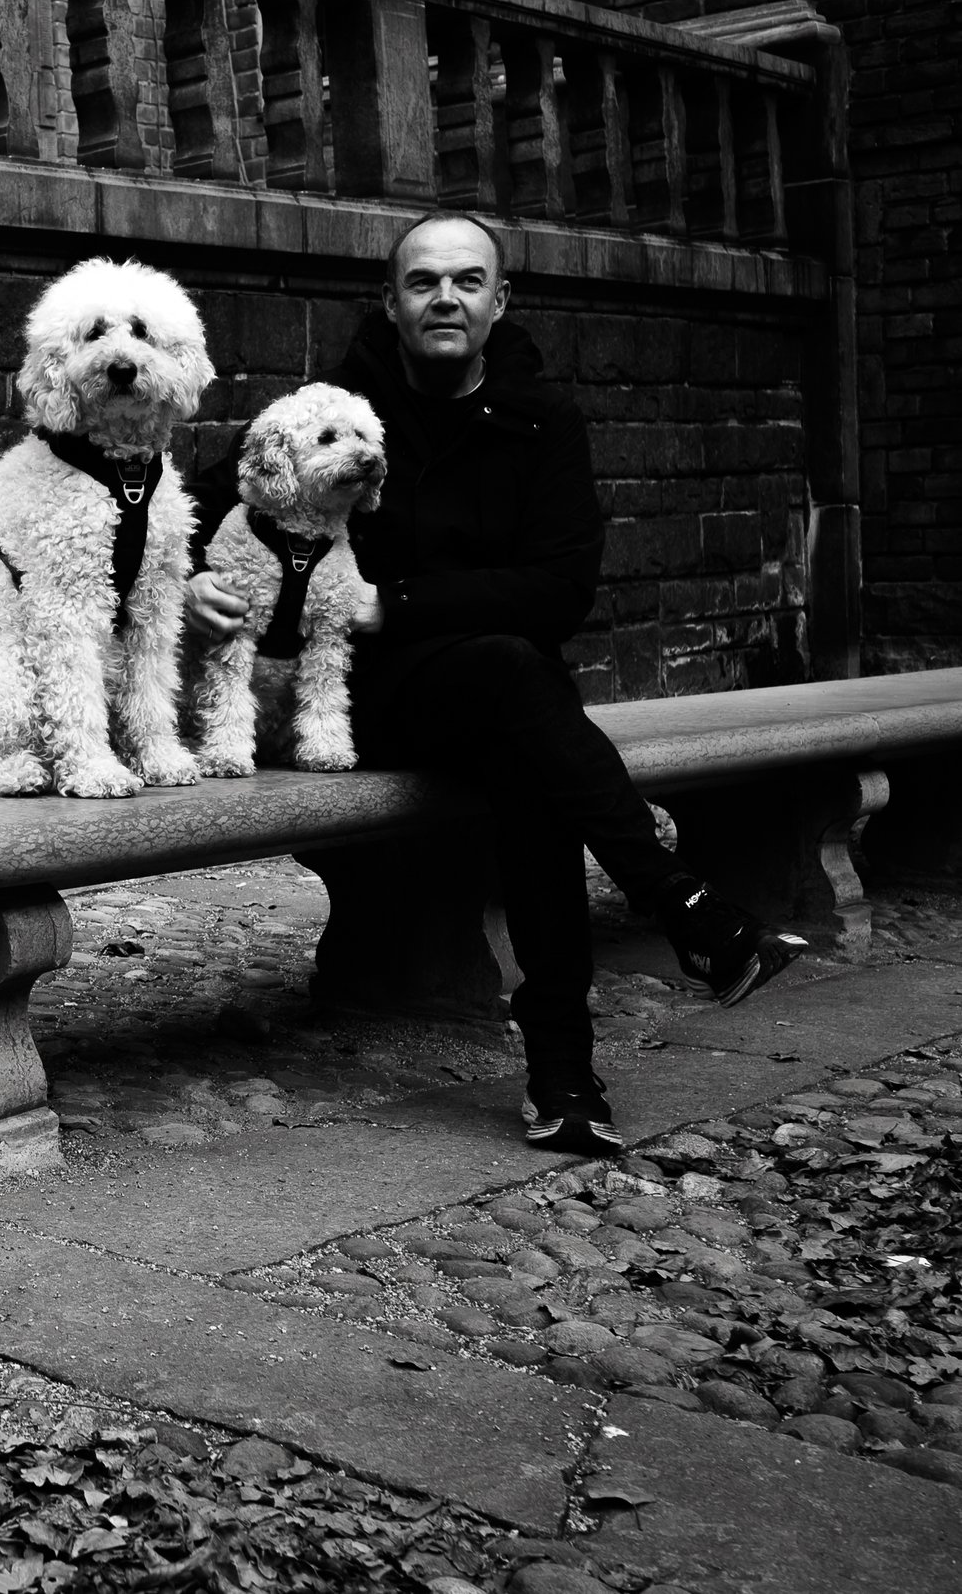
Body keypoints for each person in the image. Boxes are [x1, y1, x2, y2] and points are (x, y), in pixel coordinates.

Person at [184, 212, 806, 1155]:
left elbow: (560, 588)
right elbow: (204, 500)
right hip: (368, 701)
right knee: (526, 705)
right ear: (391, 302)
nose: (445, 296)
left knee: (525, 739)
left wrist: (394, 600)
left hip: (495, 687)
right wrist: (191, 579)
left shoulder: (541, 419)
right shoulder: (332, 404)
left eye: (468, 280)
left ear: (499, 299)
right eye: (423, 281)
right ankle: (681, 920)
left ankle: (567, 1074)